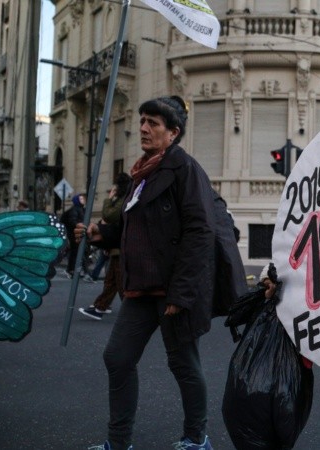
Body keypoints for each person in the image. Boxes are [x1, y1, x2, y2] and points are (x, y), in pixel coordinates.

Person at [80, 96, 216, 450]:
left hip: (171, 290)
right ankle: (118, 442)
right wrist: (101, 234)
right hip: (141, 288)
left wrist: (182, 293)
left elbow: (200, 232)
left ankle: (196, 439)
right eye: (142, 120)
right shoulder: (141, 174)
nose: (143, 127)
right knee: (117, 357)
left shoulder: (184, 169)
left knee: (184, 364)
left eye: (153, 123)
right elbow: (134, 228)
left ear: (173, 132)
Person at [79, 173, 132, 320]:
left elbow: (109, 216)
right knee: (112, 281)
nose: (113, 189)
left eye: (115, 186)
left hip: (120, 248)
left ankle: (132, 313)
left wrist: (109, 199)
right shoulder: (123, 200)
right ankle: (101, 306)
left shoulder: (123, 201)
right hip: (115, 247)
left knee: (120, 283)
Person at [61, 193, 86, 278]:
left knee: (79, 252)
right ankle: (71, 269)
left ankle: (77, 270)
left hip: (80, 233)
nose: (83, 200)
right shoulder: (75, 210)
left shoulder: (82, 209)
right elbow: (73, 221)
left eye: (83, 199)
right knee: (75, 252)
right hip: (74, 234)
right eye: (81, 199)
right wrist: (79, 225)